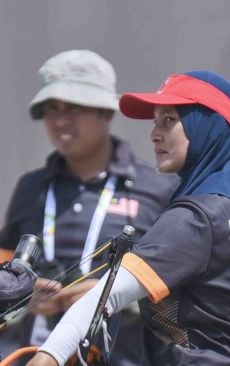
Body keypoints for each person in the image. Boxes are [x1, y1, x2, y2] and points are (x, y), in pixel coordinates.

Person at [26, 70, 230, 366]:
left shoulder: (193, 220)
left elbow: (104, 297)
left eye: (169, 120)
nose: (154, 133)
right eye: (156, 121)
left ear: (204, 127)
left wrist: (47, 357)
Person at [0, 49, 179, 364]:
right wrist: (24, 293)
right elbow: (5, 259)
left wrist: (112, 295)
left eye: (76, 107)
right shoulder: (32, 187)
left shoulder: (158, 188)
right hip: (33, 354)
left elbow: (183, 283)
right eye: (51, 109)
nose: (61, 120)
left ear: (107, 112)